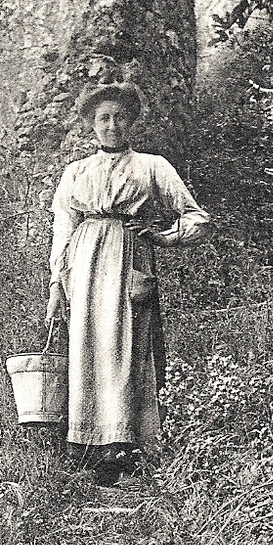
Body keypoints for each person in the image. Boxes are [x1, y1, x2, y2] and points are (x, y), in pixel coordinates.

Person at [46, 81, 210, 484]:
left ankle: (126, 445)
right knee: (87, 344)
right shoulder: (76, 172)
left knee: (127, 346)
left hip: (129, 259)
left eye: (120, 117)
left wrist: (164, 236)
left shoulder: (151, 166)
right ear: (91, 125)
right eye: (104, 118)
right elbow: (63, 231)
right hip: (83, 264)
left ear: (131, 121)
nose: (112, 125)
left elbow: (197, 217)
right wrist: (56, 284)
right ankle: (85, 444)